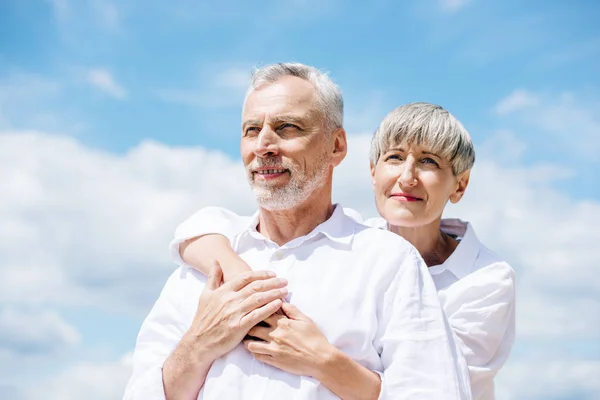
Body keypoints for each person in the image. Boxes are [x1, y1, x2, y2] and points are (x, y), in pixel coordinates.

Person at [124, 63, 471, 400]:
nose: (264, 145)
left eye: (287, 127)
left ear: (336, 146)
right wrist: (199, 344)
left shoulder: (388, 264)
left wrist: (327, 363)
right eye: (250, 130)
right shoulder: (198, 274)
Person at [173, 102, 515, 400]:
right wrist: (242, 281)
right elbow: (201, 226)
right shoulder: (354, 241)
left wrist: (321, 359)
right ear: (372, 172)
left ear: (460, 184)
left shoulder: (485, 280)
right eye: (394, 158)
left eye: (428, 162)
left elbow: (434, 385)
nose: (407, 177)